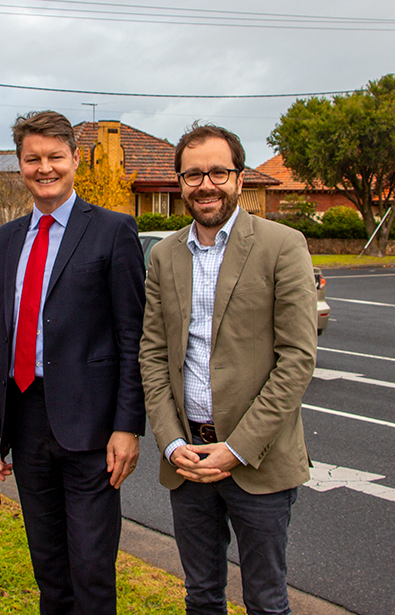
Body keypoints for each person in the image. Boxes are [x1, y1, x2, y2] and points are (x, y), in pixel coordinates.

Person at [138, 123, 317, 615]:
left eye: (219, 171)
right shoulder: (164, 254)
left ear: (239, 179)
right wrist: (173, 443)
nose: (206, 184)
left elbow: (298, 359)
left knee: (265, 599)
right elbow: (152, 356)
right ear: (179, 183)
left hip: (257, 460)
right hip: (188, 459)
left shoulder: (282, 245)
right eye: (193, 174)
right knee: (201, 596)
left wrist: (236, 450)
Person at [0, 110, 146, 615]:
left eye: (55, 157)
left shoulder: (114, 232)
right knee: (49, 569)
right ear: (20, 165)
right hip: (27, 421)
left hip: (92, 429)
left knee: (92, 571)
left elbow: (132, 338)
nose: (45, 168)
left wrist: (127, 426)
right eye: (33, 159)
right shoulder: (2, 241)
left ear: (76, 160)